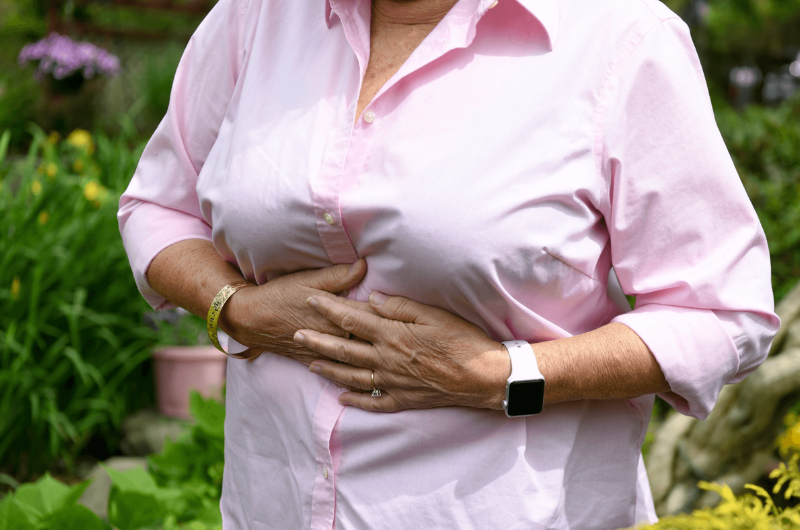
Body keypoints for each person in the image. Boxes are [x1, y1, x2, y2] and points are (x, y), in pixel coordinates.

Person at [118, 0, 780, 527]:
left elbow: (721, 312)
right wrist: (232, 307)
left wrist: (505, 375)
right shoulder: (257, 16)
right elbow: (158, 204)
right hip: (272, 508)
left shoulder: (618, 38)